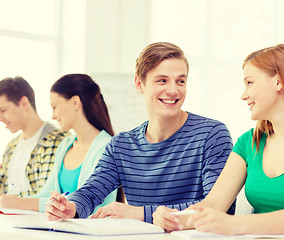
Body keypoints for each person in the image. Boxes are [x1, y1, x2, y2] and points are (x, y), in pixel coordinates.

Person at [161, 44, 284, 236]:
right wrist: (176, 218)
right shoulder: (248, 143)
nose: (244, 95)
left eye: (249, 83)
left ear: (279, 81)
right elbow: (213, 204)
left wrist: (234, 225)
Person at [45, 42, 235, 224]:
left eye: (181, 81)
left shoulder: (213, 135)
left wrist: (140, 213)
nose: (173, 90)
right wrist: (71, 206)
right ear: (139, 84)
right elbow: (92, 191)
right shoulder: (121, 145)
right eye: (162, 81)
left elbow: (219, 209)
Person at [0, 74, 118, 212]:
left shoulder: (107, 147)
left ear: (75, 102)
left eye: (55, 107)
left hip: (89, 231)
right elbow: (47, 193)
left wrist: (20, 204)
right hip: (61, 230)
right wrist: (13, 201)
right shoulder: (66, 145)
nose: (53, 116)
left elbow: (91, 202)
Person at [0, 76, 68, 196]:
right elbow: (4, 190)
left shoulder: (57, 141)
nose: (1, 118)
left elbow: (45, 195)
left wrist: (8, 200)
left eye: (3, 110)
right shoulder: (11, 146)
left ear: (24, 103)